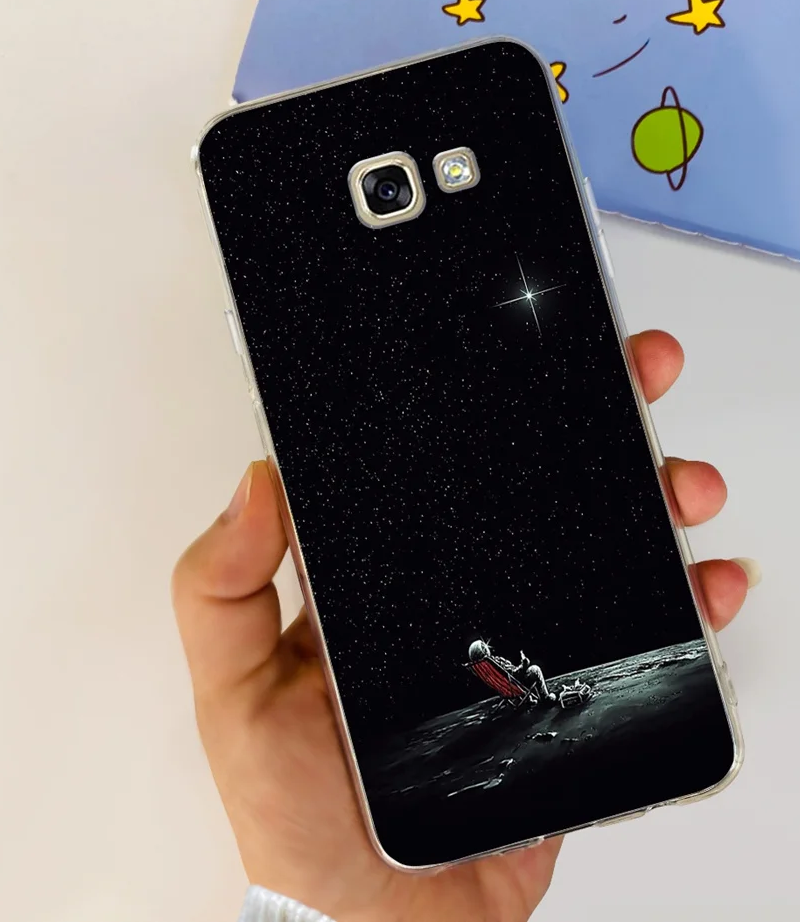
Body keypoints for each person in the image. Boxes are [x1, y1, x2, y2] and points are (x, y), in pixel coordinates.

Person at [172, 330, 761, 922]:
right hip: (515, 703)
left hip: (519, 698)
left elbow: (511, 672)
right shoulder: (493, 665)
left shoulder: (503, 666)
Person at [468, 639, 558, 703]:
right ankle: (546, 698)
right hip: (516, 684)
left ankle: (528, 699)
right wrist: (524, 663)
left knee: (520, 676)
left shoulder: (483, 669)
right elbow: (514, 674)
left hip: (506, 689)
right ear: (484, 650)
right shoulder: (494, 662)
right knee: (535, 669)